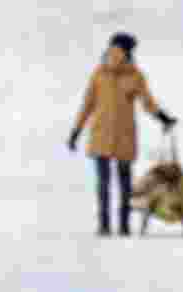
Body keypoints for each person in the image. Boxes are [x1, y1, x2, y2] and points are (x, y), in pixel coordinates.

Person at [69, 33, 177, 236]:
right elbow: (148, 103)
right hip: (124, 135)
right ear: (127, 50)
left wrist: (76, 131)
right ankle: (124, 226)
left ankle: (104, 225)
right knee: (124, 181)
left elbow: (87, 105)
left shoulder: (100, 72)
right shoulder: (134, 74)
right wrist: (163, 118)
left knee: (103, 182)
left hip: (101, 133)